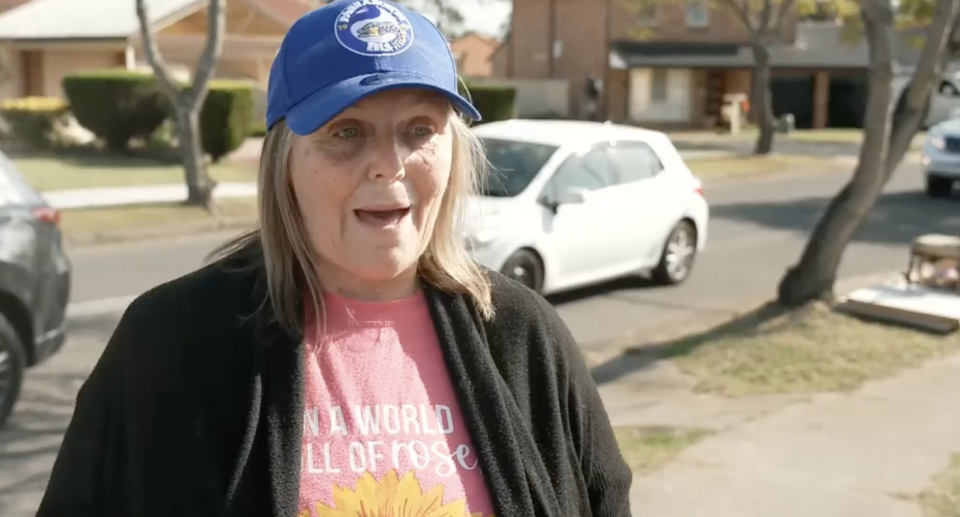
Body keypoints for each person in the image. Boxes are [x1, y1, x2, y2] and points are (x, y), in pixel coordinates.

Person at [36, 0, 632, 515]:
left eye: (419, 130)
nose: (387, 163)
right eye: (346, 132)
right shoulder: (171, 341)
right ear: (284, 164)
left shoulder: (522, 334)